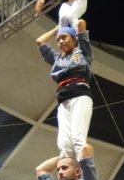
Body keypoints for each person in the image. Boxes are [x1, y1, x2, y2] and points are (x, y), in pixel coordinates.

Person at [36, 19, 92, 160]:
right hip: (62, 99)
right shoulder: (56, 59)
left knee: (78, 139)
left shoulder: (83, 52)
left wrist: (70, 20)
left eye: (64, 37)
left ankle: (85, 177)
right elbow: (40, 41)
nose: (60, 41)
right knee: (64, 144)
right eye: (58, 39)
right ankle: (68, 179)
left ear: (74, 40)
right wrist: (56, 30)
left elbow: (81, 23)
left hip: (79, 94)